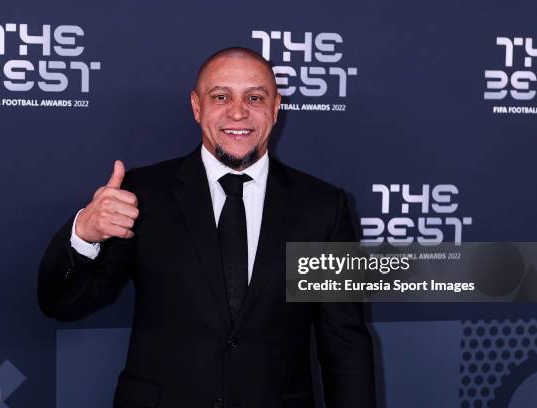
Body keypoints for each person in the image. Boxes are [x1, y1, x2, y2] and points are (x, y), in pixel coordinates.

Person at [38, 47, 375, 408]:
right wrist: (84, 235)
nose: (238, 112)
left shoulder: (322, 207)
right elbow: (62, 304)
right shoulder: (142, 195)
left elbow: (345, 344)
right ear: (197, 107)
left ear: (276, 108)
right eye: (221, 96)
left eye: (255, 97)